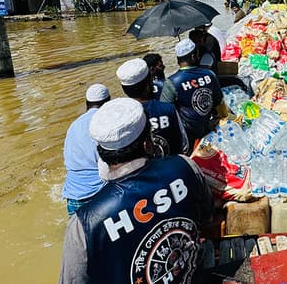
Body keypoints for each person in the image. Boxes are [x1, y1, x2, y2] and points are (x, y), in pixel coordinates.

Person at [58, 98, 212, 284]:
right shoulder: (185, 167)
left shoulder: (84, 224)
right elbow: (207, 216)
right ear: (147, 144)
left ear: (102, 154)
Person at [117, 58, 189, 156]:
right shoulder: (168, 109)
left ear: (124, 90)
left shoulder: (121, 118)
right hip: (172, 163)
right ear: (149, 84)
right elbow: (184, 144)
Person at [160, 39, 222, 148]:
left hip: (188, 136)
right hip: (209, 129)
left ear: (178, 60)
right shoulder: (209, 74)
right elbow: (218, 100)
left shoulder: (171, 82)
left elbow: (165, 113)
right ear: (193, 57)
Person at [62, 84, 111, 215]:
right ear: (108, 102)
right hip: (98, 196)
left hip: (72, 197)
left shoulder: (73, 126)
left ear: (87, 103)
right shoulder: (104, 123)